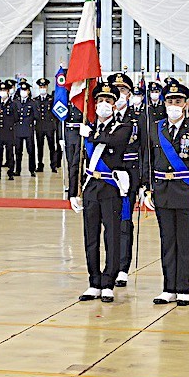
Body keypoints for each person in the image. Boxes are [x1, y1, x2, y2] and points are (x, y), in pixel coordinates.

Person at [141, 81, 189, 306]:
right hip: (163, 192)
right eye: (170, 101)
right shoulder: (156, 128)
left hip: (187, 192)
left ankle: (183, 288)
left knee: (186, 242)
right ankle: (168, 287)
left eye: (178, 101)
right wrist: (146, 187)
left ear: (186, 104)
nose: (173, 105)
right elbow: (147, 160)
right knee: (167, 241)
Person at [71, 82, 132, 303]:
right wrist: (72, 191)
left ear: (115, 104)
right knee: (91, 236)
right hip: (90, 188)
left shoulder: (122, 127)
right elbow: (76, 161)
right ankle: (94, 281)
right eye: (100, 101)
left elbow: (115, 141)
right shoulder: (87, 128)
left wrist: (91, 136)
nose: (103, 105)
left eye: (108, 101)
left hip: (110, 188)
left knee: (112, 235)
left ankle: (108, 282)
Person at [108, 73, 143, 288]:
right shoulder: (101, 117)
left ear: (129, 94)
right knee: (106, 224)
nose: (119, 95)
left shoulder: (138, 118)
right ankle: (109, 265)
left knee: (123, 222)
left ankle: (122, 268)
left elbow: (145, 151)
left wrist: (143, 183)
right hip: (107, 176)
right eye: (115, 91)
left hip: (129, 175)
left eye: (123, 91)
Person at [34, 78, 58, 173]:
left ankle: (53, 165)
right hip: (39, 127)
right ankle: (40, 165)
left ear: (47, 87)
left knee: (52, 147)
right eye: (41, 87)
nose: (42, 88)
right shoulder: (35, 100)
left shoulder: (51, 99)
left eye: (44, 86)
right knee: (40, 147)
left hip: (50, 126)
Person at [13, 81, 36, 178]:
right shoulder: (16, 102)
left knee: (31, 151)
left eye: (25, 90)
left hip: (28, 130)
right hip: (18, 130)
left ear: (28, 91)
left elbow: (37, 116)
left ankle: (32, 170)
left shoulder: (32, 103)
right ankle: (17, 170)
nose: (23, 92)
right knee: (18, 151)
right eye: (22, 90)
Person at [0, 81, 16, 181]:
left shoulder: (13, 104)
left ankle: (10, 172)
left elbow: (16, 118)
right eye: (1, 90)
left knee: (10, 153)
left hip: (9, 132)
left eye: (4, 90)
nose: (2, 92)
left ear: (8, 91)